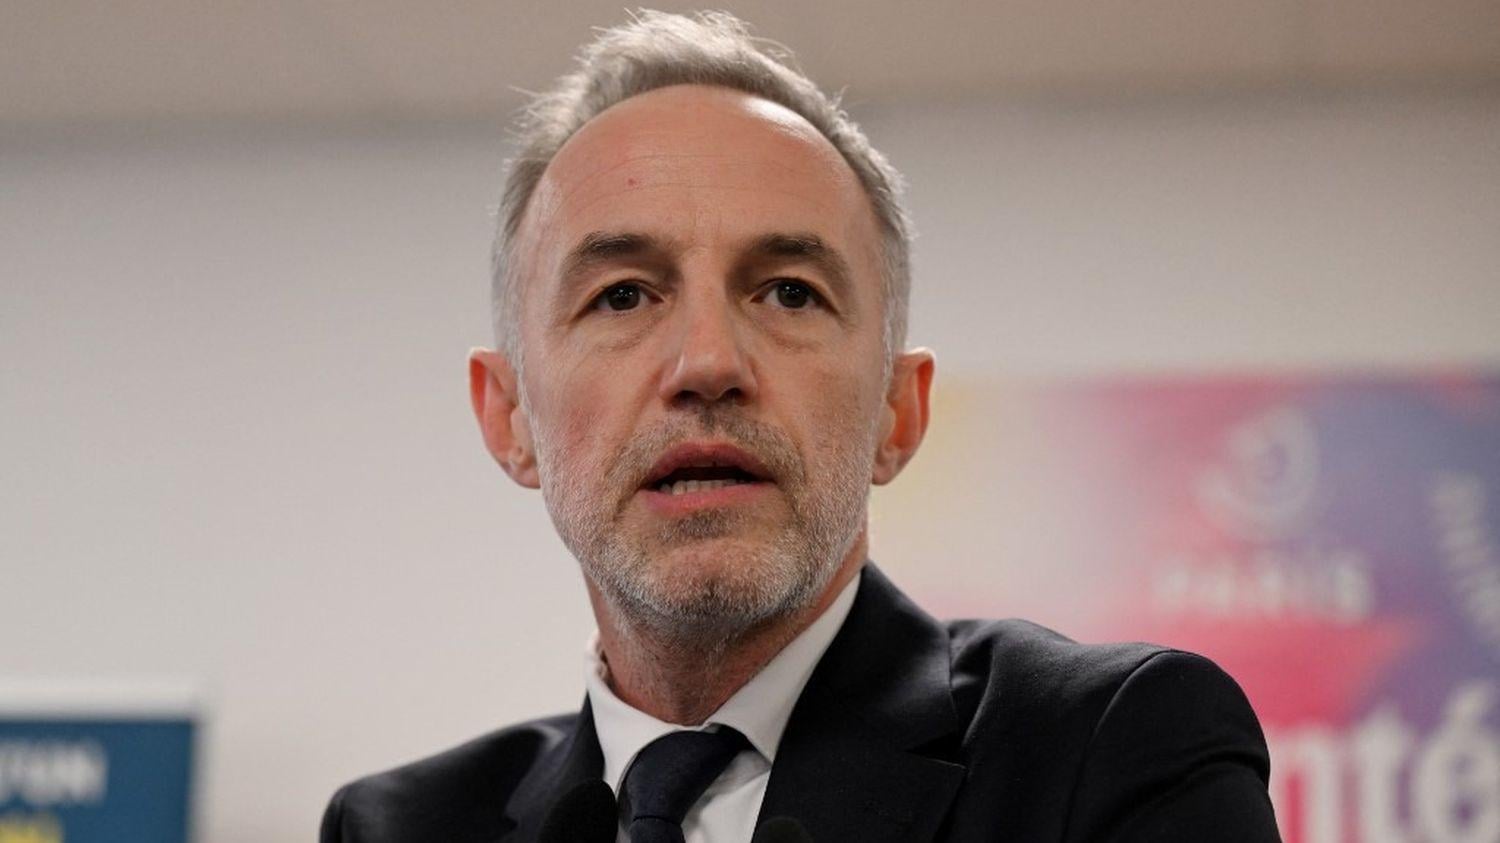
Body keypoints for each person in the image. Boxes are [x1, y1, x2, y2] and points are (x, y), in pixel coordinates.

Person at [320, 10, 1280, 843]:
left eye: (788, 292)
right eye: (623, 295)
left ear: (898, 412)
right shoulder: (393, 827)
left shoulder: (1115, 751)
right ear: (509, 417)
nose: (708, 363)